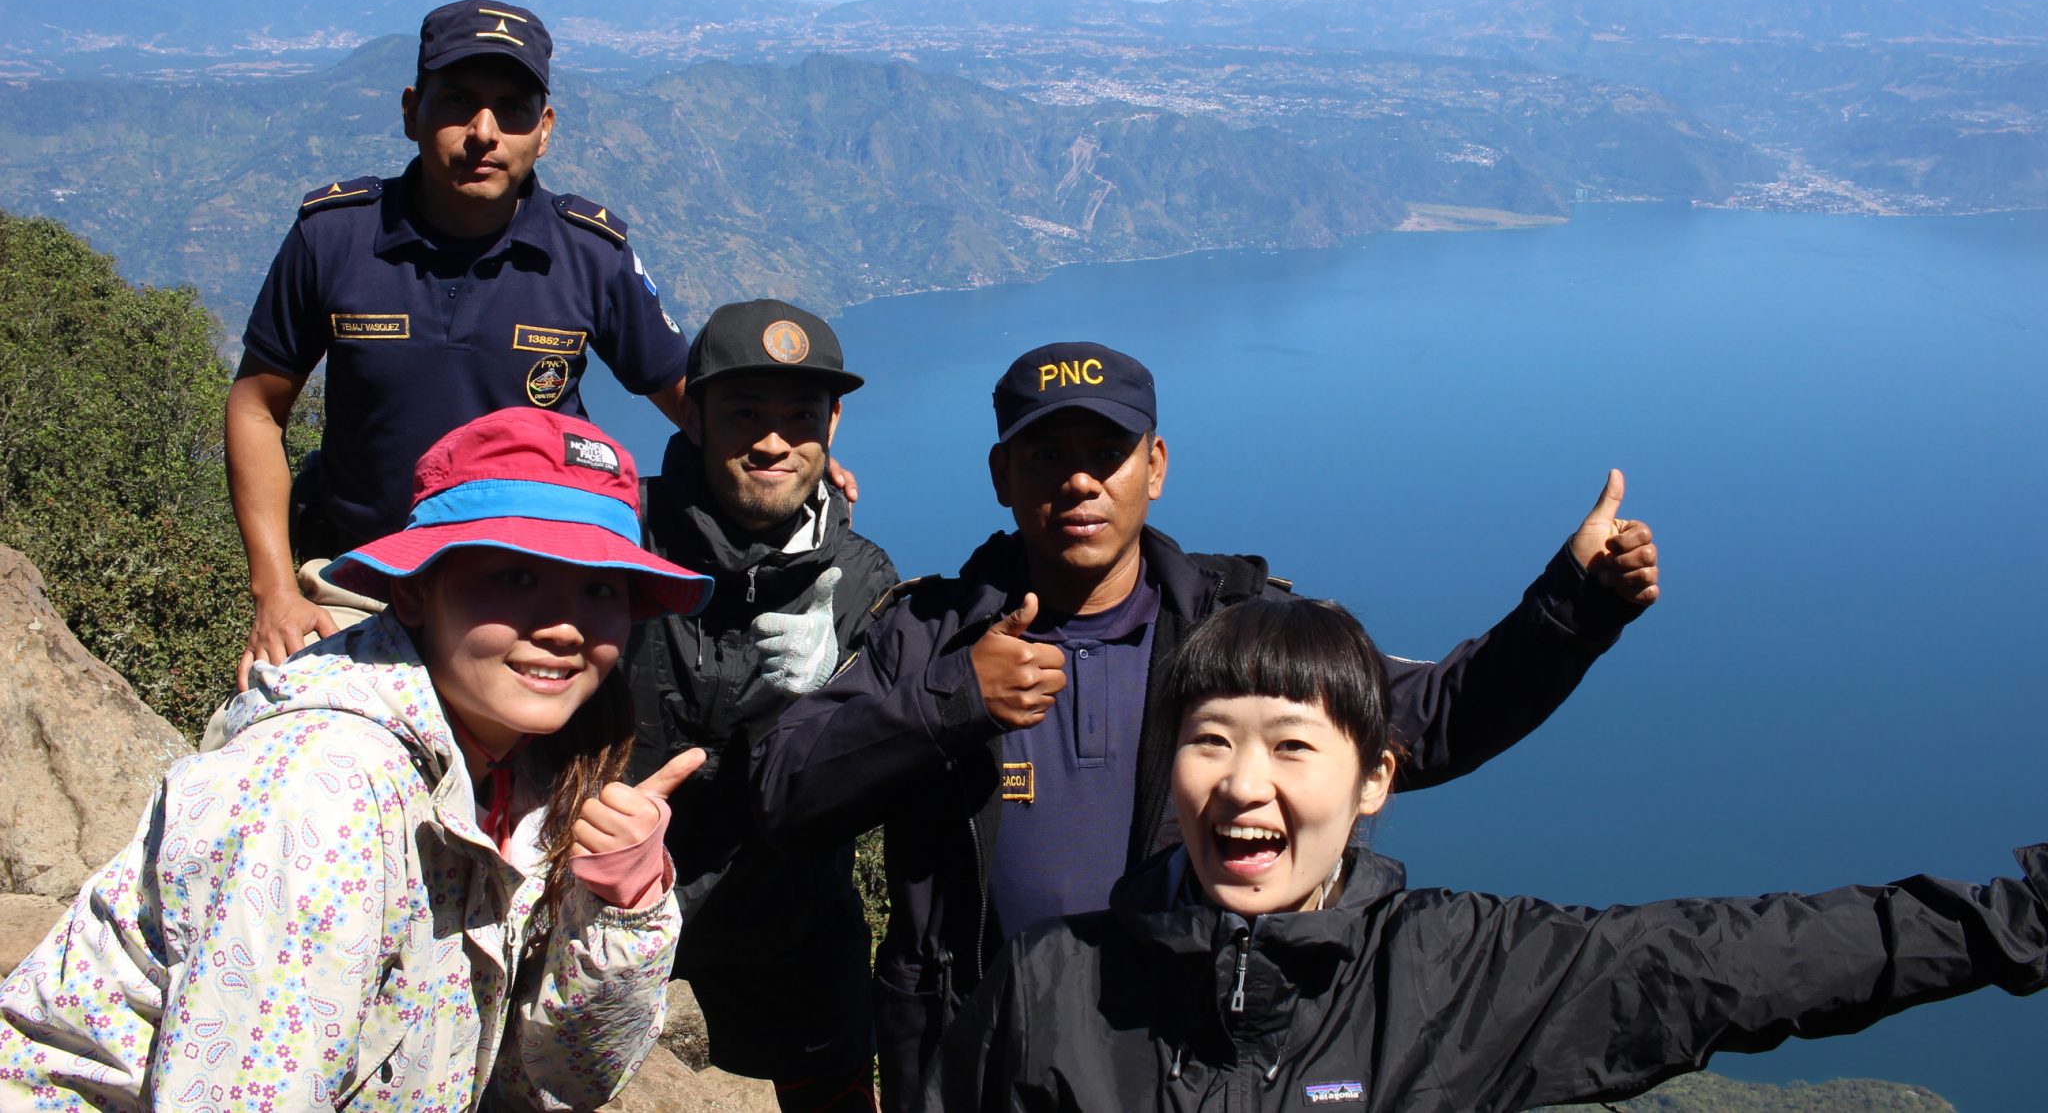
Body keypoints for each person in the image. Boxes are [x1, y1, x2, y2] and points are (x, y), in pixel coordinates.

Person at [752, 340, 1662, 1109]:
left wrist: (1570, 611)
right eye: (1043, 453)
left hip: (1175, 1057)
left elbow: (1427, 721)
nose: (1076, 479)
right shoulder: (932, 635)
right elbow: (784, 792)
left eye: (1104, 451)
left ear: (1154, 465)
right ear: (1001, 476)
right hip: (982, 1063)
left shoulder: (1234, 627)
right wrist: (951, 702)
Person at [933, 596, 2048, 1111]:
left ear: (1374, 781)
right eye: (1207, 742)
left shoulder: (1457, 976)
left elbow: (1741, 963)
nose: (1240, 785)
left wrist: (2024, 915)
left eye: (1290, 747)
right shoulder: (1051, 985)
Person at [1, 407, 714, 1110]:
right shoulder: (324, 790)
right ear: (412, 590)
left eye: (598, 588)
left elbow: (559, 1082)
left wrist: (620, 907)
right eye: (515, 577)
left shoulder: (518, 781)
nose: (563, 627)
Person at [226, 0, 694, 683]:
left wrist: (797, 456)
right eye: (458, 102)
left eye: (512, 108)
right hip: (366, 588)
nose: (484, 131)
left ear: (545, 128)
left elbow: (690, 399)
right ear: (412, 110)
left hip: (539, 601)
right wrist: (275, 592)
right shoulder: (333, 238)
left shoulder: (590, 254)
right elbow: (257, 407)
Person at [622, 299, 895, 1112]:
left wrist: (839, 697)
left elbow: (886, 772)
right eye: (745, 412)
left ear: (832, 425)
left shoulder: (861, 578)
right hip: (619, 906)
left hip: (791, 919)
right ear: (696, 415)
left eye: (799, 416)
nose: (773, 440)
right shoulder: (618, 542)